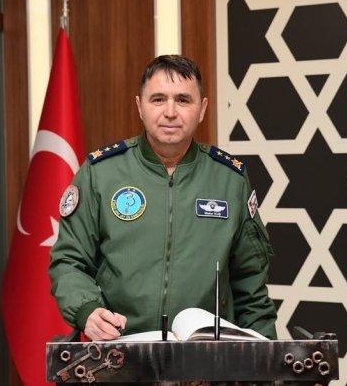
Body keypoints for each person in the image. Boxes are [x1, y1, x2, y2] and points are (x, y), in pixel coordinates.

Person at [49, 55, 277, 341]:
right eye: (158, 99)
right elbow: (68, 260)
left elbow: (251, 285)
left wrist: (268, 357)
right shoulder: (100, 173)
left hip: (206, 352)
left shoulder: (230, 180)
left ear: (202, 109)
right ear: (140, 107)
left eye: (183, 100)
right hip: (119, 349)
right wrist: (87, 311)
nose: (170, 112)